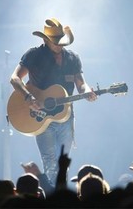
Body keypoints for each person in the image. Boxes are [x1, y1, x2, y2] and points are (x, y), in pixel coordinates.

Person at [10, 17, 97, 187]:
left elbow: (82, 85)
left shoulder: (73, 58)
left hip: (66, 117)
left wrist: (88, 92)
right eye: (55, 42)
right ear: (45, 40)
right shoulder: (33, 55)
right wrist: (29, 97)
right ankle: (55, 199)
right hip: (41, 117)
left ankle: (57, 197)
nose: (60, 45)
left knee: (62, 164)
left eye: (61, 41)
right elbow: (15, 78)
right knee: (50, 162)